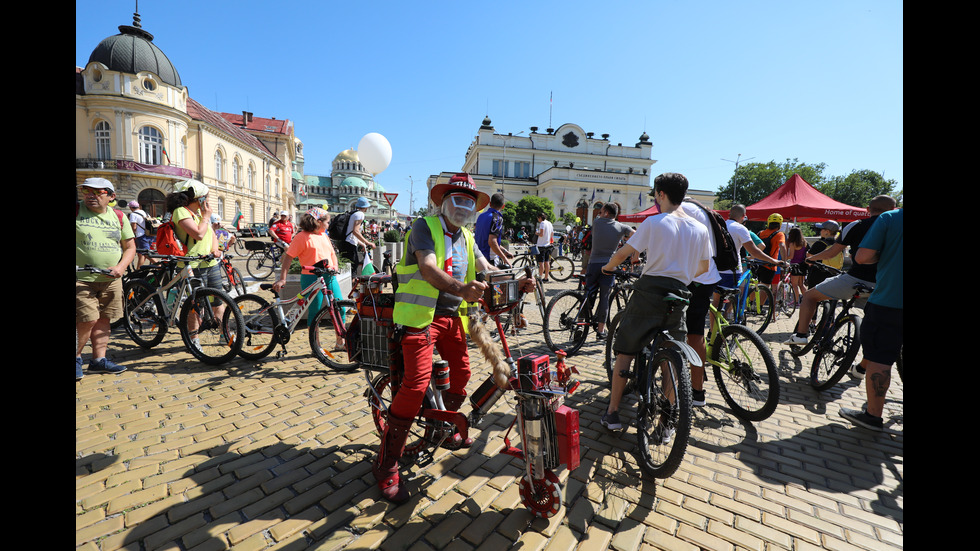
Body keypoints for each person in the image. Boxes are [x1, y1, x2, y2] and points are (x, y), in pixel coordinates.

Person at [375, 173, 532, 503]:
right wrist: (461, 288)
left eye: (469, 202)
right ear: (444, 203)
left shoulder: (468, 236)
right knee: (416, 384)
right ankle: (387, 462)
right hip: (419, 319)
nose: (463, 207)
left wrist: (517, 282)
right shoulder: (425, 227)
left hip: (453, 318)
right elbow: (428, 268)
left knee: (461, 375)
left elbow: (487, 269)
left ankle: (443, 428)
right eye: (458, 200)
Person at [601, 173, 711, 431]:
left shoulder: (655, 222)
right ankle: (665, 421)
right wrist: (680, 276)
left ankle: (613, 413)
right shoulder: (700, 228)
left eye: (656, 195)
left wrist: (607, 268)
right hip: (680, 293)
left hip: (650, 290)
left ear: (661, 194)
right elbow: (704, 268)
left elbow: (624, 253)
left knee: (626, 351)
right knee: (672, 357)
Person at [784, 195, 898, 346]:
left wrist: (811, 258)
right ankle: (863, 365)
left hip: (857, 278)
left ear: (867, 210)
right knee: (877, 326)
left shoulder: (856, 225)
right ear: (893, 210)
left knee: (810, 296)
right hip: (885, 284)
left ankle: (801, 335)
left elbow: (831, 252)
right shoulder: (897, 228)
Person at [839, 208, 903, 431]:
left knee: (879, 356)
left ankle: (873, 415)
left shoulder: (891, 218)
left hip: (892, 300)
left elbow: (862, 256)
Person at [76, 178, 136, 379]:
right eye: (86, 191)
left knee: (104, 319)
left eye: (97, 192)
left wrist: (120, 267)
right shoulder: (77, 211)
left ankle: (98, 360)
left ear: (111, 196)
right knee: (88, 318)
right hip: (81, 277)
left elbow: (130, 247)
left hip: (111, 279)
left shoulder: (118, 216)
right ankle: (76, 358)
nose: (90, 195)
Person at [167, 179, 226, 347]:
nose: (207, 200)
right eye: (205, 196)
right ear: (198, 197)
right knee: (195, 305)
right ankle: (194, 340)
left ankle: (224, 334)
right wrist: (206, 217)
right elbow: (198, 234)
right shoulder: (181, 212)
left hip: (210, 263)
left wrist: (216, 249)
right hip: (191, 265)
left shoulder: (200, 213)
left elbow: (211, 235)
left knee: (218, 301)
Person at [676, 197, 722, 408]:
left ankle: (688, 388)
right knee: (696, 334)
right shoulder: (701, 209)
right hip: (708, 276)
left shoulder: (681, 209)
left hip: (693, 277)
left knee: (687, 333)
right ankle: (698, 392)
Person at [273, 208, 344, 330]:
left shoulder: (324, 235)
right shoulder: (301, 237)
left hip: (329, 276)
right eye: (327, 222)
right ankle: (314, 342)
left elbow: (332, 254)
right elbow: (288, 258)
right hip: (311, 278)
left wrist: (335, 267)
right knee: (315, 311)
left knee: (340, 308)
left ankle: (341, 340)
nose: (329, 224)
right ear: (318, 222)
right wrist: (282, 279)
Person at [584, 202, 634, 339]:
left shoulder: (597, 223)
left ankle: (582, 324)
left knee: (588, 294)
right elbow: (635, 235)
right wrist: (632, 253)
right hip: (610, 265)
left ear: (605, 213)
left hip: (593, 263)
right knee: (604, 297)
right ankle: (600, 331)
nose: (599, 214)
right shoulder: (621, 227)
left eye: (600, 211)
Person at [474, 193, 513, 268]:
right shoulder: (497, 218)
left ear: (490, 204)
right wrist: (504, 258)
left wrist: (505, 251)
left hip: (478, 257)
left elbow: (485, 239)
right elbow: (492, 242)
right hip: (489, 259)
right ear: (503, 206)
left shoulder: (481, 216)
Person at [339, 197, 375, 277]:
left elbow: (351, 233)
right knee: (353, 267)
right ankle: (350, 287)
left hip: (346, 242)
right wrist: (368, 242)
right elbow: (356, 231)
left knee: (350, 267)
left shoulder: (354, 213)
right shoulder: (360, 214)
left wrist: (362, 244)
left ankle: (350, 286)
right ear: (365, 207)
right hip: (349, 245)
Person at [803, 220, 842, 289]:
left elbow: (809, 257)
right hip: (833, 274)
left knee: (812, 297)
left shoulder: (819, 244)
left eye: (822, 229)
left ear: (827, 232)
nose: (820, 231)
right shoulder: (838, 244)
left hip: (818, 274)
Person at [755, 213, 787, 287]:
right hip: (769, 265)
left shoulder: (760, 233)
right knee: (765, 288)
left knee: (755, 286)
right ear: (780, 224)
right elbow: (782, 246)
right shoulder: (779, 234)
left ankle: (752, 299)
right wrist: (784, 262)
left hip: (757, 263)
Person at [786, 227, 809, 306]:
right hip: (802, 265)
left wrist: (785, 257)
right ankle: (807, 300)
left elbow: (791, 256)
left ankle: (796, 301)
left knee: (794, 284)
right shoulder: (804, 242)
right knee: (801, 285)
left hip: (795, 265)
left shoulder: (792, 244)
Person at [128, 200, 153, 268]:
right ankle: (139, 270)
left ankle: (159, 265)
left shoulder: (133, 214)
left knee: (145, 254)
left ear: (131, 207)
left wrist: (131, 235)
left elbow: (134, 227)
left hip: (141, 236)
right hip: (149, 235)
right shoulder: (146, 213)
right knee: (142, 254)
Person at [535, 212, 554, 280]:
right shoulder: (549, 223)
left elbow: (541, 234)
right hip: (548, 245)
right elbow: (552, 234)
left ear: (540, 218)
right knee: (547, 262)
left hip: (541, 245)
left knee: (541, 263)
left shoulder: (542, 223)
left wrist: (537, 233)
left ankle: (540, 277)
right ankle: (546, 277)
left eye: (538, 218)